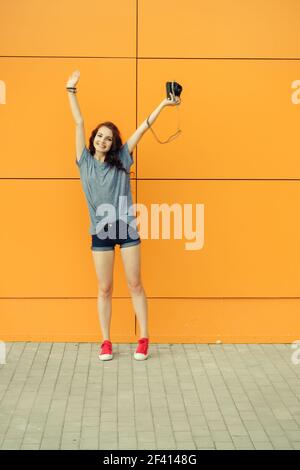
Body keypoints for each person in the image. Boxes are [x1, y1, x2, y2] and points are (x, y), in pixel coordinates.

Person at [66, 70, 180, 361]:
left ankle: (143, 337)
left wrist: (164, 104)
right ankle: (106, 341)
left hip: (126, 229)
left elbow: (143, 128)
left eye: (108, 137)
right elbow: (79, 121)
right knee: (104, 288)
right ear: (93, 140)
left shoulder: (122, 159)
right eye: (100, 136)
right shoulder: (84, 163)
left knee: (135, 284)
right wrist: (71, 89)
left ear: (113, 142)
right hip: (100, 231)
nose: (103, 140)